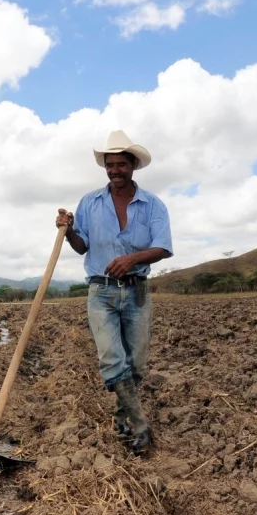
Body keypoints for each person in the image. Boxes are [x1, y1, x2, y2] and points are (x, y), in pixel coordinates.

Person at [56, 130, 173, 454]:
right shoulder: (90, 203)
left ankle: (121, 419)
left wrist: (132, 258)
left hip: (137, 292)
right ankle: (140, 425)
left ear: (133, 165)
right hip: (101, 292)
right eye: (110, 165)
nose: (115, 170)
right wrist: (67, 231)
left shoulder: (152, 205)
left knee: (135, 366)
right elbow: (82, 247)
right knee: (112, 358)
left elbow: (163, 247)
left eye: (121, 164)